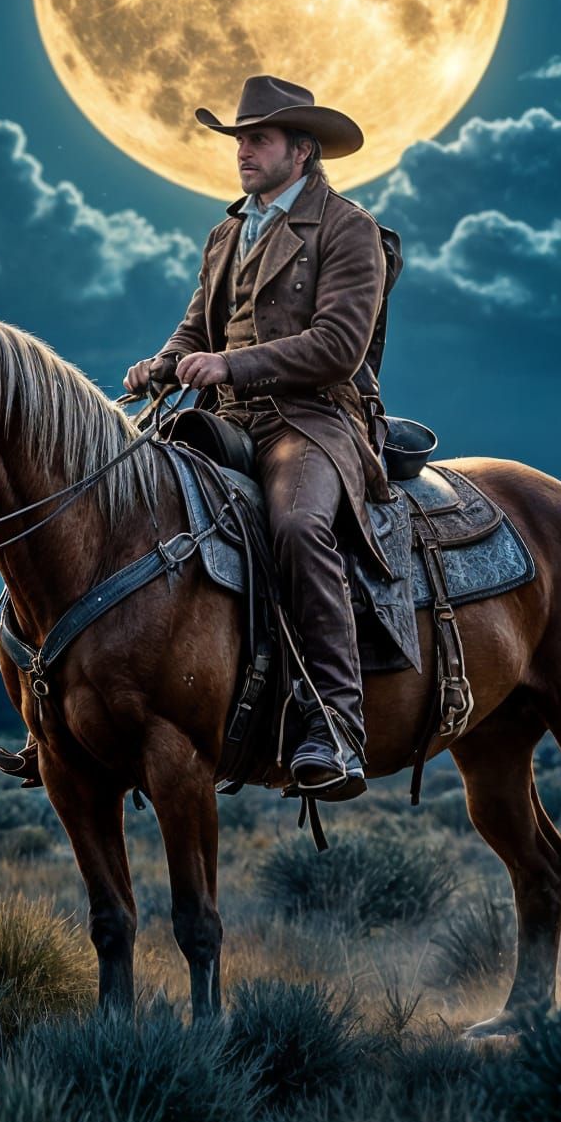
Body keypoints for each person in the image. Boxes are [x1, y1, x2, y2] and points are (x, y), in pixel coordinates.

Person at [123, 75, 394, 800]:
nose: (243, 150)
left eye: (258, 139)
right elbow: (196, 329)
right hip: (224, 418)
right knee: (125, 501)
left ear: (301, 152)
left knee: (301, 527)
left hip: (310, 419)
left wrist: (231, 363)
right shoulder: (225, 232)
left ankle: (334, 726)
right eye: (240, 139)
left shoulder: (348, 229)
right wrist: (161, 363)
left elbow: (338, 344)